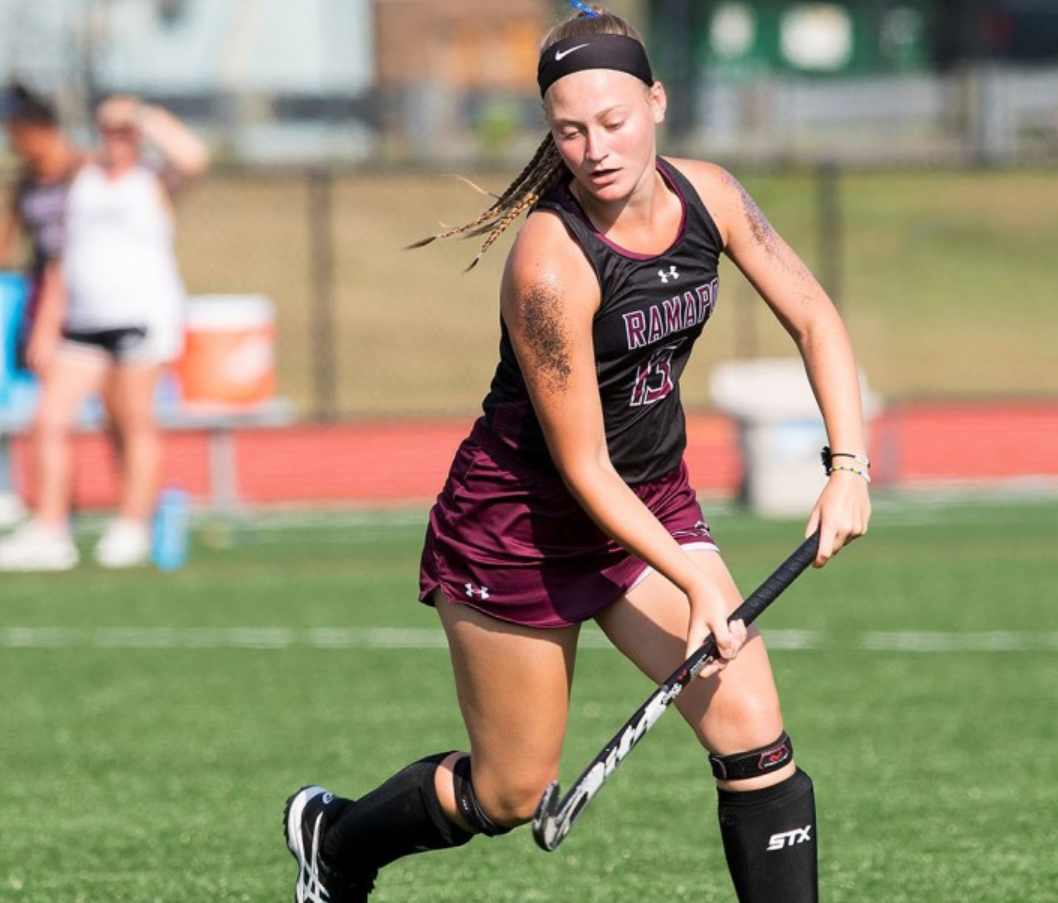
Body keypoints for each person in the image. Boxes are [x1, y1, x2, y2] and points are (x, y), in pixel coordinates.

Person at [282, 7, 872, 903]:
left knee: (754, 733)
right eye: (569, 130)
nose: (595, 147)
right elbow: (583, 466)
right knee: (508, 789)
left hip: (651, 500)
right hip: (518, 530)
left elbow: (816, 318)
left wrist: (847, 468)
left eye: (613, 120)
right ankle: (336, 841)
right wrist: (698, 578)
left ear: (657, 103)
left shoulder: (709, 195)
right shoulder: (550, 266)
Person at [0, 95, 208, 571]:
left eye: (125, 131)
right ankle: (50, 527)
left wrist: (144, 115)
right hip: (82, 322)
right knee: (47, 418)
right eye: (108, 128)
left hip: (140, 318)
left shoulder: (153, 181)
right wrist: (46, 327)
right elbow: (63, 260)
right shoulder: (82, 180)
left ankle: (133, 522)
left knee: (131, 420)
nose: (117, 138)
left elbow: (194, 157)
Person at [0, 83, 81, 370]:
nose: (13, 146)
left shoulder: (84, 171)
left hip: (83, 291)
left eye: (15, 136)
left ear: (39, 130)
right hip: (44, 291)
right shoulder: (26, 184)